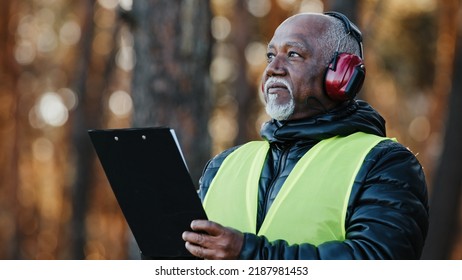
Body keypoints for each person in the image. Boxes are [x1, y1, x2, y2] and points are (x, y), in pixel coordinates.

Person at [182, 11, 429, 260]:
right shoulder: (223, 164)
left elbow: (378, 261)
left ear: (341, 75)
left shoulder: (386, 164)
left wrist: (249, 254)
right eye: (270, 55)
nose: (272, 69)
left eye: (293, 54)